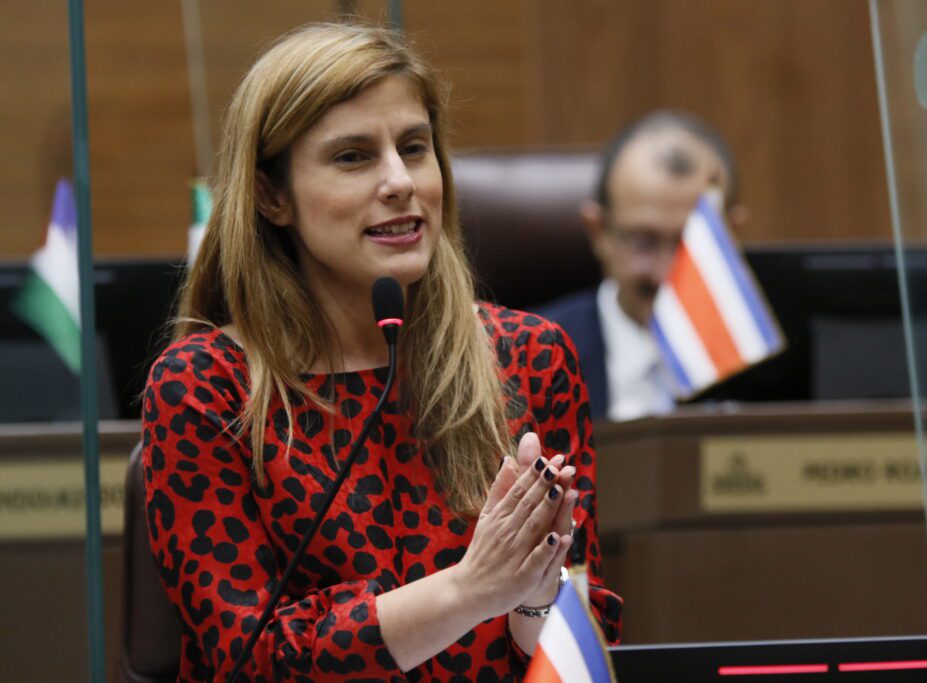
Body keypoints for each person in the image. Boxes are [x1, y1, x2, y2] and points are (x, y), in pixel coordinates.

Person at [141, 22, 620, 681]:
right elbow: (252, 659)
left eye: (415, 148)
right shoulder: (205, 386)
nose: (400, 181)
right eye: (353, 157)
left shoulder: (531, 358)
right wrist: (471, 588)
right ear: (272, 196)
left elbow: (585, 639)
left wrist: (536, 596)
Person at [536, 111, 745, 422]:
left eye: (692, 245)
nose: (667, 272)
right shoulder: (533, 358)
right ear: (599, 232)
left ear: (732, 235)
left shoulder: (783, 366)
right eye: (644, 242)